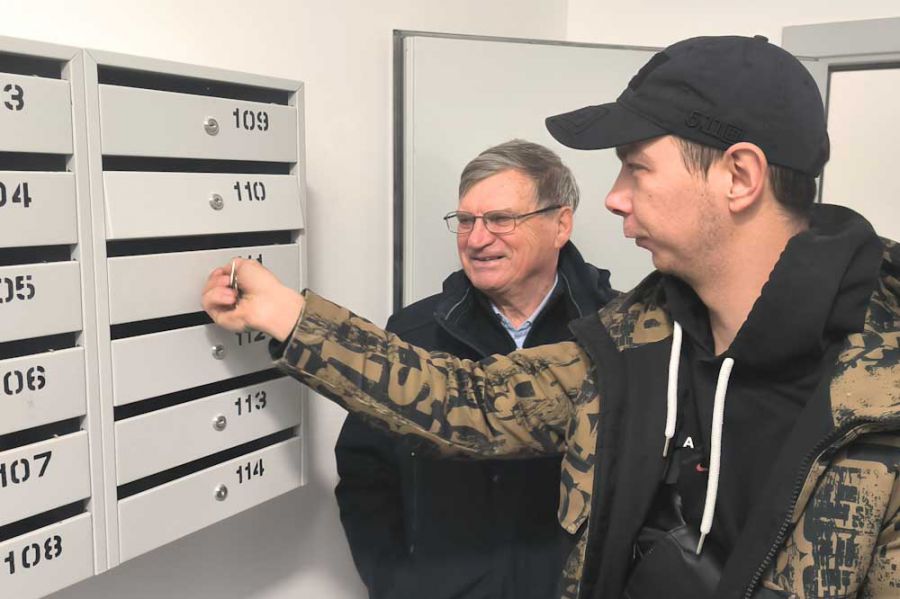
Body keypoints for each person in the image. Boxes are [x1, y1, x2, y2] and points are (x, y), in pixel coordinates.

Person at [203, 35, 899, 599]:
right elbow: (474, 404)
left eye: (637, 168)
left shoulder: (882, 389)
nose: (615, 197)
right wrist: (288, 314)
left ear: (738, 177)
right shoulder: (642, 337)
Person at [334, 139, 615, 599]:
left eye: (501, 219)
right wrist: (397, 584)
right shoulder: (413, 333)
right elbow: (365, 471)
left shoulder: (615, 335)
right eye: (466, 221)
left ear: (560, 224)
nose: (477, 239)